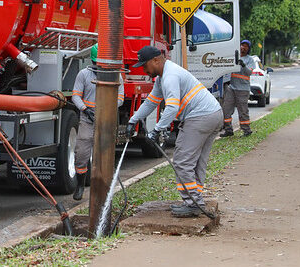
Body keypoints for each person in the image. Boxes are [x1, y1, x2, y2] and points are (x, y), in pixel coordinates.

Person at [125, 46, 223, 217]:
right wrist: (133, 120)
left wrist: (157, 129)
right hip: (213, 114)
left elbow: (172, 107)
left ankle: (193, 204)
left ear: (156, 60)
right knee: (197, 162)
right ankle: (195, 201)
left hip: (200, 117)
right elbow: (150, 102)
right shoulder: (162, 78)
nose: (144, 70)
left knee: (182, 161)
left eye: (145, 65)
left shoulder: (170, 76)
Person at [70, 44, 124, 201]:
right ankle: (80, 185)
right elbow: (75, 96)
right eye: (95, 64)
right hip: (87, 120)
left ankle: (102, 187)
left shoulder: (116, 76)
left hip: (106, 121)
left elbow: (120, 97)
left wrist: (109, 108)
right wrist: (85, 109)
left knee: (104, 154)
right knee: (81, 153)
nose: (98, 67)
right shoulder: (84, 75)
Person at [220, 39, 254, 137]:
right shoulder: (234, 56)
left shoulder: (249, 59)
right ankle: (228, 130)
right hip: (231, 87)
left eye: (246, 46)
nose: (243, 47)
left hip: (243, 89)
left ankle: (246, 130)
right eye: (242, 45)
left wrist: (243, 65)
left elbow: (249, 72)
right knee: (226, 109)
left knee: (243, 110)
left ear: (248, 49)